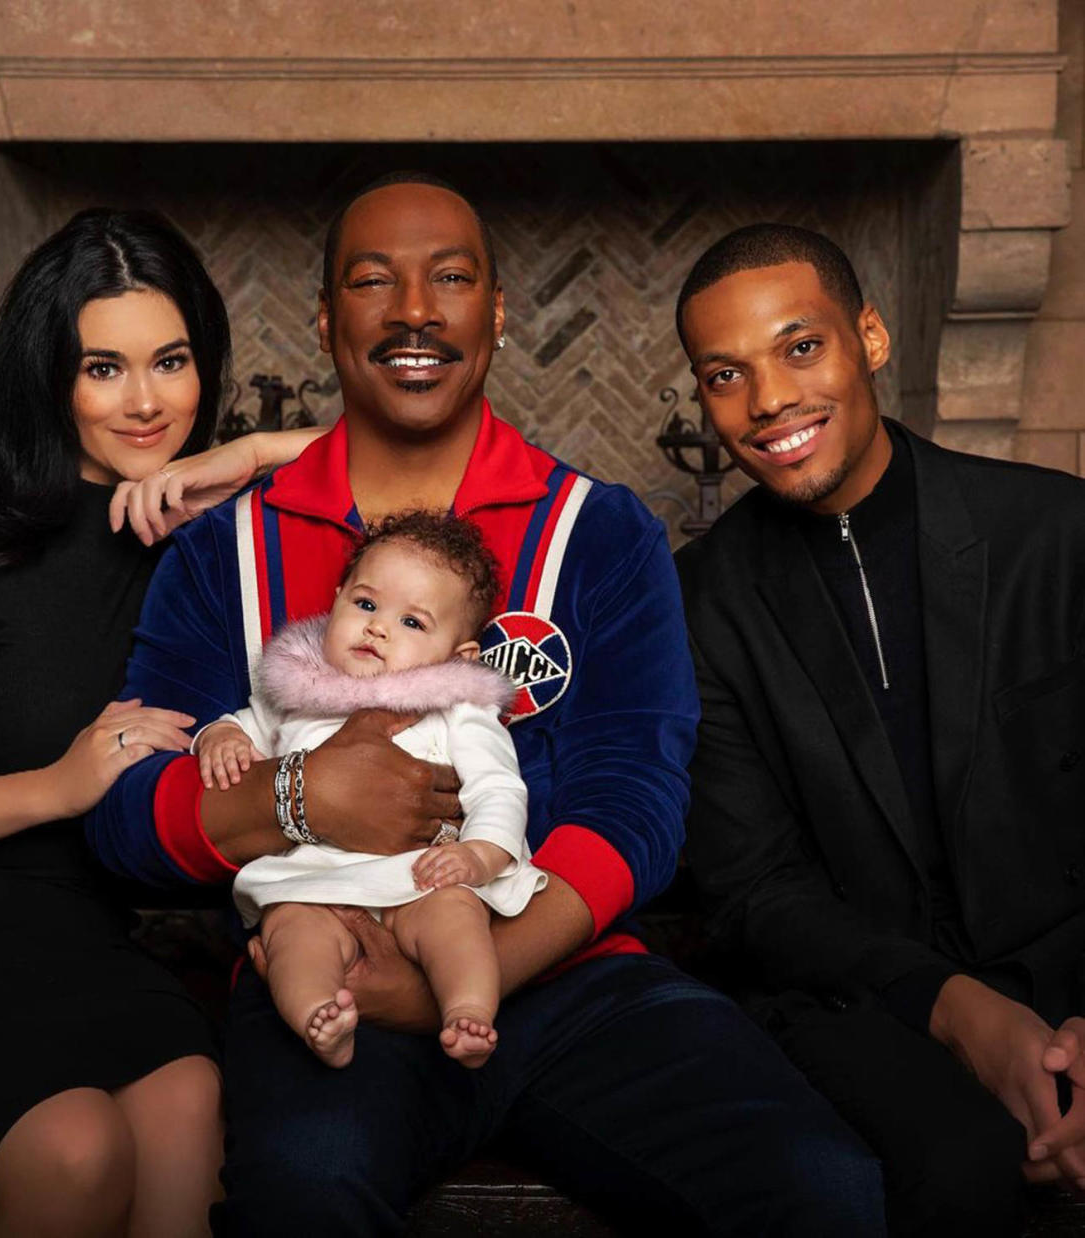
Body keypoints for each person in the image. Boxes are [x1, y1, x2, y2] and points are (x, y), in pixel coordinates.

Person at [90, 172, 885, 1236]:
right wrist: (298, 796)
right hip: (332, 963)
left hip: (568, 969)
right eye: (375, 282)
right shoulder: (221, 550)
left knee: (824, 1185)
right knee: (304, 1186)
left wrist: (471, 975)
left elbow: (636, 804)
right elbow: (127, 814)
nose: (416, 309)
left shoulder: (599, 530)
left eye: (452, 278)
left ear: (498, 314)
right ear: (328, 321)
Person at [0, 207, 312, 1237]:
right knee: (78, 1151)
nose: (145, 402)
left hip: (71, 931)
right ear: (50, 374)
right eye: (103, 366)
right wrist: (56, 784)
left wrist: (259, 450)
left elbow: (440, 456)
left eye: (172, 360)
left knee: (190, 1107)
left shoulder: (212, 539)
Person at [674, 221, 1085, 1236]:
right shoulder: (697, 602)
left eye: (800, 347)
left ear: (870, 338)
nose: (767, 400)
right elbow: (752, 890)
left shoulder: (1059, 534)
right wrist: (959, 1010)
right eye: (725, 374)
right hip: (860, 1003)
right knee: (962, 1169)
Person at [200, 510, 543, 1069]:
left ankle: (467, 1010)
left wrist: (478, 855)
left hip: (423, 876)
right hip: (315, 878)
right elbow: (244, 723)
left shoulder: (459, 708)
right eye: (365, 605)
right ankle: (321, 1017)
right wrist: (219, 736)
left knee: (457, 918)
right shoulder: (295, 691)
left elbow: (499, 787)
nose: (378, 627)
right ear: (336, 601)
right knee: (290, 931)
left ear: (459, 657)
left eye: (413, 623)